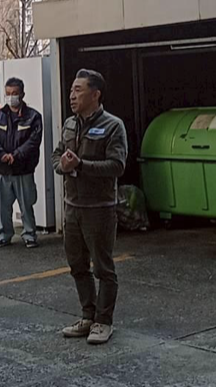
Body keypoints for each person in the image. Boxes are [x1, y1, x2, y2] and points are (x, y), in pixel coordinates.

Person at [52, 69, 128, 345]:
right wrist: (62, 165)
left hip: (99, 208)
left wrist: (81, 165)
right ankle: (88, 315)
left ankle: (104, 322)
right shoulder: (70, 124)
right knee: (77, 265)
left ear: (95, 95)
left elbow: (117, 166)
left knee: (103, 269)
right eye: (72, 90)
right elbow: (57, 155)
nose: (72, 95)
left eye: (78, 90)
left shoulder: (113, 126)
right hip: (72, 206)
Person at [0, 78, 43, 249]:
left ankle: (30, 234)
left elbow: (33, 142)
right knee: (3, 206)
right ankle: (4, 235)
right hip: (2, 170)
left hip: (23, 170)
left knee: (26, 205)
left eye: (15, 93)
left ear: (22, 94)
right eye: (8, 93)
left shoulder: (33, 117)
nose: (11, 97)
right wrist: (2, 155)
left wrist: (16, 155)